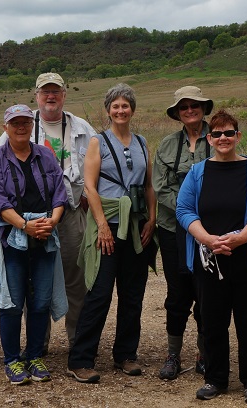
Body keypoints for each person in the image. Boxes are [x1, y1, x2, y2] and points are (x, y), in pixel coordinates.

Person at [176, 109, 247, 403]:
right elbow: (184, 211)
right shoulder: (198, 173)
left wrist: (241, 238)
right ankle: (215, 378)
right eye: (217, 134)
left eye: (229, 133)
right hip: (209, 259)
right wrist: (208, 240)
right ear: (209, 138)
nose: (223, 138)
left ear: (238, 136)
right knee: (212, 321)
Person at [0, 72, 96, 353]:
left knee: (76, 280)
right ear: (36, 96)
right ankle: (40, 345)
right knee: (36, 281)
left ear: (64, 94)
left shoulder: (82, 127)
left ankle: (78, 342)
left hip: (71, 212)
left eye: (56, 91)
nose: (50, 96)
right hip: (31, 220)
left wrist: (87, 195)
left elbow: (96, 164)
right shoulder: (23, 123)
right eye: (45, 92)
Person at [67, 83, 157, 383]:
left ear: (132, 109)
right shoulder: (98, 142)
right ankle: (80, 359)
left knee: (133, 293)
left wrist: (151, 219)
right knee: (99, 292)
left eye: (126, 105)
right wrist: (102, 224)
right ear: (108, 110)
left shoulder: (143, 142)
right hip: (109, 224)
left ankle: (126, 355)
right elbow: (90, 186)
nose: (121, 110)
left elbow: (148, 185)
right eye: (115, 106)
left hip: (136, 225)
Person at [0, 104, 67, 385]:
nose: (21, 127)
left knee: (41, 301)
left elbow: (59, 192)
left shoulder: (45, 155)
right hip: (11, 239)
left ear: (32, 125)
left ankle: (34, 356)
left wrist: (52, 222)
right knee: (12, 302)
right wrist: (24, 225)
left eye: (25, 122)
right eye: (15, 123)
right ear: (5, 127)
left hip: (44, 235)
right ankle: (12, 361)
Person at [152, 85, 214, 380]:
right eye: (184, 107)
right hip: (172, 227)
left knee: (206, 292)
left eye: (195, 105)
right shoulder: (166, 145)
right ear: (177, 113)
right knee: (177, 294)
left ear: (204, 108)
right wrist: (187, 211)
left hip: (211, 230)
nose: (190, 110)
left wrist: (204, 215)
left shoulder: (220, 138)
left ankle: (205, 354)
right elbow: (160, 186)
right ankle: (173, 355)